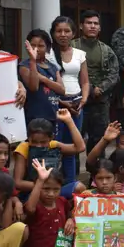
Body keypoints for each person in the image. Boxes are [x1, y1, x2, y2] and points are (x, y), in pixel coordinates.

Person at [21, 160, 88, 247]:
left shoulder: (61, 202)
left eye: (55, 190)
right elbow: (29, 209)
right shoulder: (36, 205)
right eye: (46, 189)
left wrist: (70, 219)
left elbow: (71, 211)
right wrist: (40, 180)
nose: (51, 194)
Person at [51, 17, 89, 187]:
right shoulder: (48, 54)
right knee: (54, 145)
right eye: (59, 31)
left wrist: (84, 100)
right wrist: (61, 102)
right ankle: (52, 184)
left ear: (73, 33)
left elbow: (85, 81)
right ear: (53, 33)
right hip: (56, 103)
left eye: (67, 31)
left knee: (72, 146)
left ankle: (71, 184)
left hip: (77, 103)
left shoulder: (80, 54)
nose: (63, 34)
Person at [74, 10, 119, 153]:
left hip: (99, 103)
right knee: (74, 140)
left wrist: (100, 88)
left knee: (99, 142)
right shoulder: (71, 47)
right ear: (81, 26)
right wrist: (86, 89)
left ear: (100, 27)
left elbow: (114, 74)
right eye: (89, 23)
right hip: (76, 101)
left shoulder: (106, 50)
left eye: (96, 23)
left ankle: (97, 167)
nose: (92, 26)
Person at [12, 113, 85, 197]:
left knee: (79, 187)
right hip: (33, 193)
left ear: (51, 138)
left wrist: (69, 121)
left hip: (53, 190)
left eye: (43, 142)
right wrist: (44, 187)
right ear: (28, 138)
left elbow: (80, 148)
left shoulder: (53, 145)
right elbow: (18, 182)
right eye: (34, 142)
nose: (38, 146)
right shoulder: (23, 148)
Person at [19, 29, 65, 129]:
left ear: (47, 48)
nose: (36, 49)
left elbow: (62, 90)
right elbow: (33, 87)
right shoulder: (24, 66)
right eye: (33, 45)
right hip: (35, 117)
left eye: (41, 46)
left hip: (53, 115)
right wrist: (33, 60)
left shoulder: (53, 66)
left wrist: (43, 79)